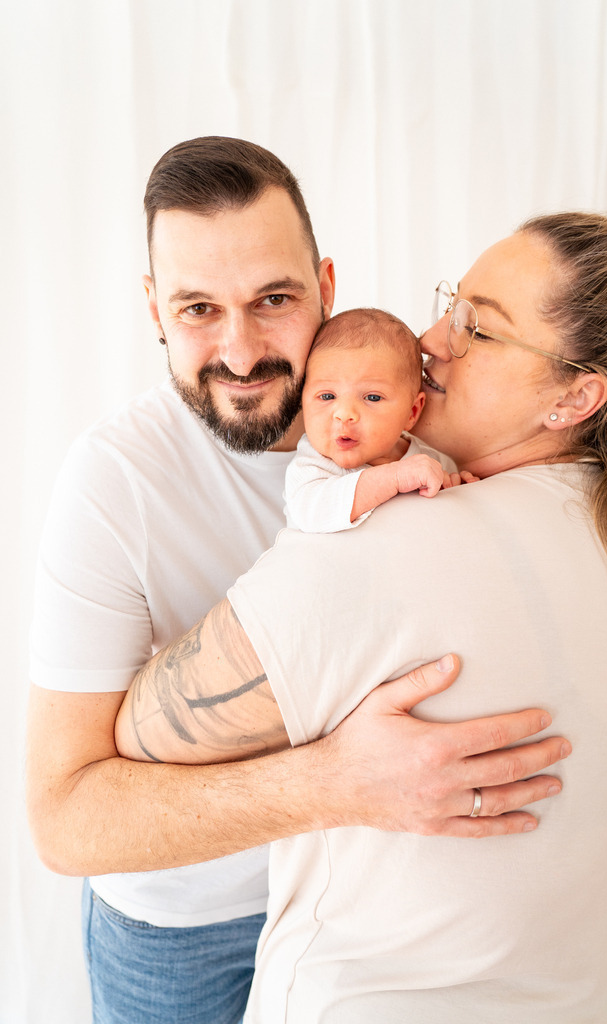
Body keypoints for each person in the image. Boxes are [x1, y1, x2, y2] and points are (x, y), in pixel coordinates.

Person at [26, 137, 569, 1024]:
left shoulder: (421, 425)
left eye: (272, 300)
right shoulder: (112, 482)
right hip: (183, 930)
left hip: (367, 901)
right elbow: (65, 819)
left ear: (324, 283)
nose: (240, 353)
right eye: (198, 307)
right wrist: (339, 784)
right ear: (155, 309)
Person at [116, 212, 607, 1021]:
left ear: (574, 396)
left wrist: (329, 782)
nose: (429, 340)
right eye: (450, 307)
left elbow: (142, 734)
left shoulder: (386, 545)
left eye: (476, 329)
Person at [285, 306, 474, 533]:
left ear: (412, 412)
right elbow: (313, 513)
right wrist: (394, 478)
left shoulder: (430, 459)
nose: (344, 414)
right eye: (327, 396)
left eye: (372, 397)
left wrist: (457, 489)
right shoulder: (312, 464)